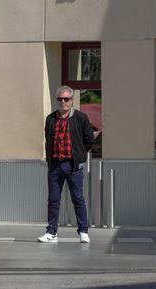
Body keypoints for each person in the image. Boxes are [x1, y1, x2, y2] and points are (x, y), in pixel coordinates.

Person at [38, 85, 96, 244]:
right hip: (55, 164)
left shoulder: (80, 118)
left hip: (73, 166)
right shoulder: (51, 119)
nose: (63, 102)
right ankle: (51, 232)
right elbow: (48, 139)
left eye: (66, 99)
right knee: (53, 200)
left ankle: (83, 231)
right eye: (60, 99)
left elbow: (89, 140)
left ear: (72, 101)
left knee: (78, 198)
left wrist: (79, 155)